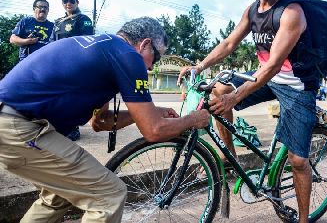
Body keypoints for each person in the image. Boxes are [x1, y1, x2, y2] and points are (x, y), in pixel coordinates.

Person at [0, 17, 210, 223]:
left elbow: (101, 122)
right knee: (109, 195)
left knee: (57, 196)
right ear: (145, 44)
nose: (151, 68)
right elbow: (153, 131)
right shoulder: (128, 56)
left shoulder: (105, 49)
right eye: (155, 59)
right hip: (19, 126)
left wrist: (147, 114)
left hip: (11, 121)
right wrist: (193, 119)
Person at [178, 0, 318, 222]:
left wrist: (236, 97)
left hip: (297, 86)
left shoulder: (292, 13)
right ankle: (228, 155)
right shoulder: (253, 9)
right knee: (218, 88)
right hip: (264, 78)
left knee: (298, 161)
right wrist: (199, 66)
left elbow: (274, 65)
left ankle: (302, 219)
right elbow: (230, 42)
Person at [51, 0, 94, 141]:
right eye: (65, 1)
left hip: (75, 64)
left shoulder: (83, 19)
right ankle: (59, 125)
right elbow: (52, 43)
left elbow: (88, 42)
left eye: (71, 0)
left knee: (72, 96)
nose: (68, 3)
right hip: (58, 64)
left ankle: (73, 127)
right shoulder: (57, 22)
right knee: (59, 95)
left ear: (77, 2)